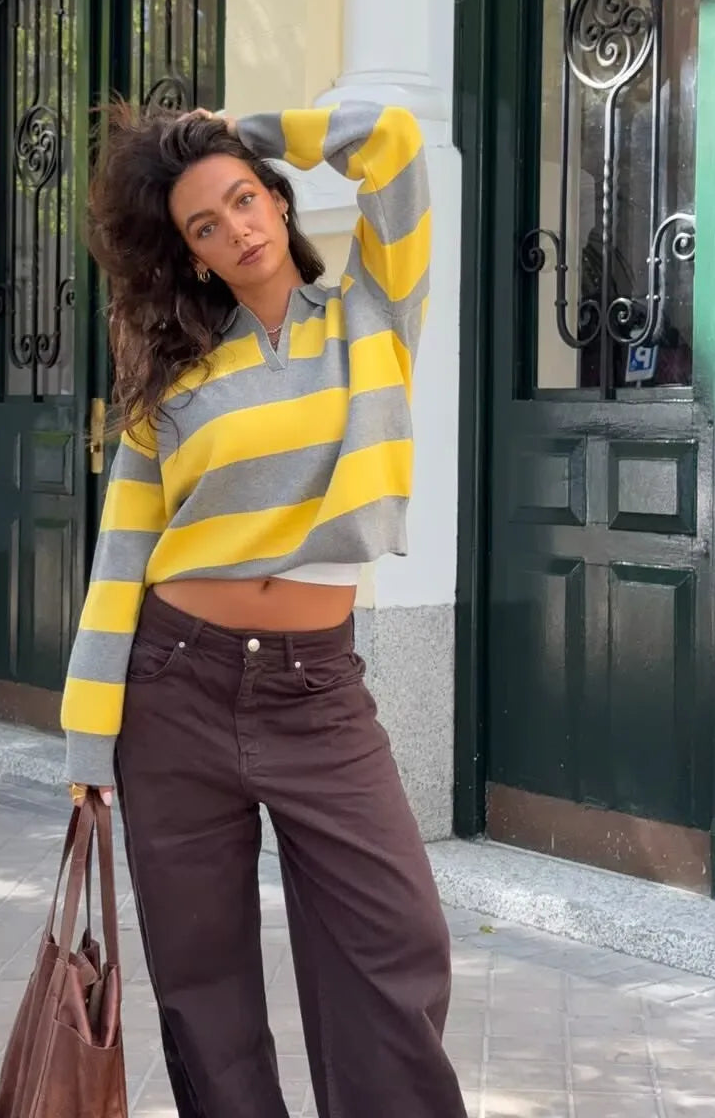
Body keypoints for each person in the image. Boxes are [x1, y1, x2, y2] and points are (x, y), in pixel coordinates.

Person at [60, 101, 467, 1118]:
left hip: (316, 690)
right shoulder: (175, 383)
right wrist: (86, 739)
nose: (236, 228)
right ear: (191, 256)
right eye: (206, 224)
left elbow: (396, 146)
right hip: (173, 688)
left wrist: (242, 130)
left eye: (246, 200)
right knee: (203, 984)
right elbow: (122, 557)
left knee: (396, 941)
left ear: (278, 204)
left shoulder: (375, 313)